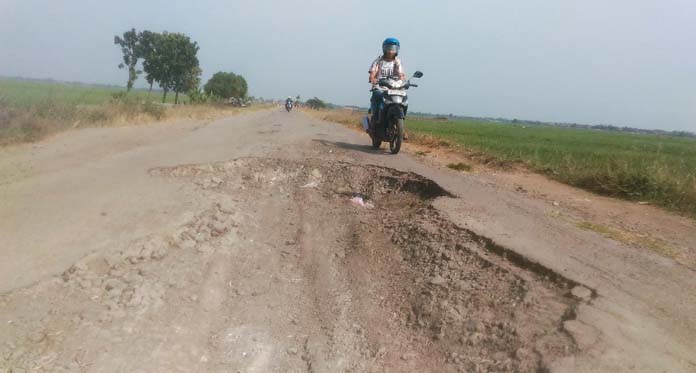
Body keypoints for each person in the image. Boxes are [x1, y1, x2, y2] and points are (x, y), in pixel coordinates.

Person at [368, 37, 406, 133]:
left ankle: (401, 127)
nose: (390, 51)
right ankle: (375, 121)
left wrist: (403, 81)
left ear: (397, 50)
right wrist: (373, 78)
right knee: (378, 95)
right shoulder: (378, 61)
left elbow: (401, 74)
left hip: (394, 87)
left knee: (404, 99)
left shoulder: (397, 62)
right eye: (389, 48)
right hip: (380, 87)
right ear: (384, 48)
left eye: (393, 48)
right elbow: (373, 72)